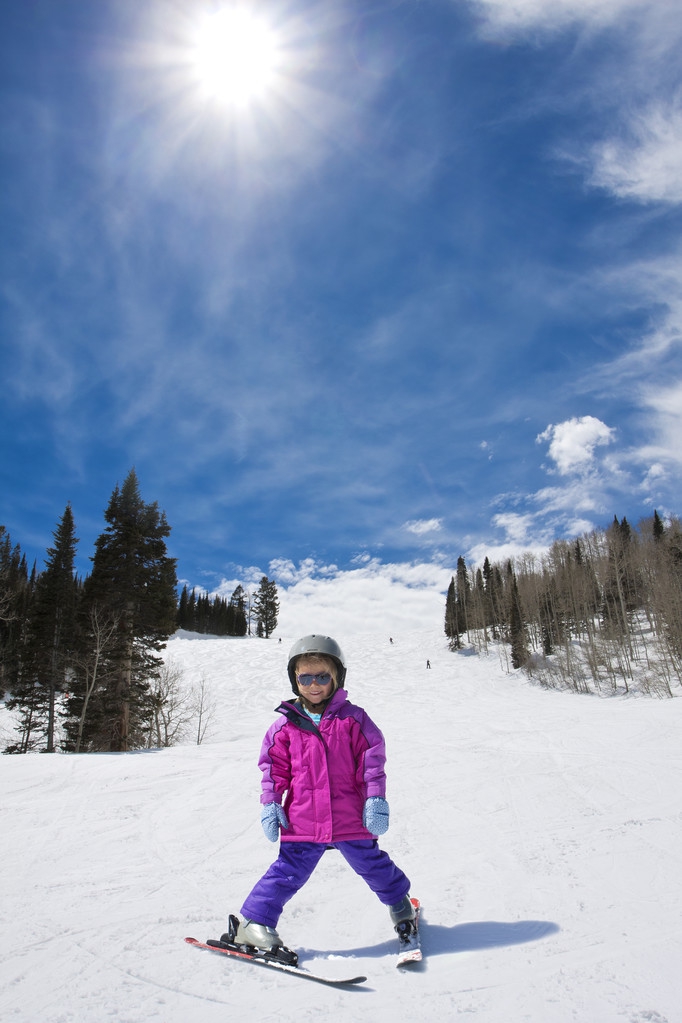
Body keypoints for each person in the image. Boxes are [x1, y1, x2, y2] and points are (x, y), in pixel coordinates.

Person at [224, 634, 416, 965]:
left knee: (372, 865)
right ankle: (254, 923)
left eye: (322, 676)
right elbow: (273, 769)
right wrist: (270, 804)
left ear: (337, 677)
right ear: (294, 679)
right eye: (306, 677)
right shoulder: (284, 727)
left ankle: (400, 903)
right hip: (303, 818)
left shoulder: (353, 719)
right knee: (287, 871)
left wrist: (375, 800)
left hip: (349, 816)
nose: (314, 685)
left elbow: (372, 762)